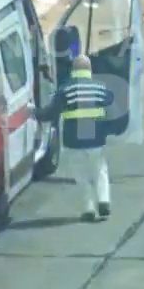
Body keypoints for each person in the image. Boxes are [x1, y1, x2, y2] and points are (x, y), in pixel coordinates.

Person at [36, 55, 115, 222]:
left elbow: (49, 114)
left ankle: (88, 209)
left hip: (73, 142)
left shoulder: (65, 90)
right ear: (90, 70)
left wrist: (33, 112)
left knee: (81, 176)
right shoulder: (100, 89)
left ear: (73, 70)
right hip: (95, 139)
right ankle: (104, 201)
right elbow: (111, 102)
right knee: (100, 170)